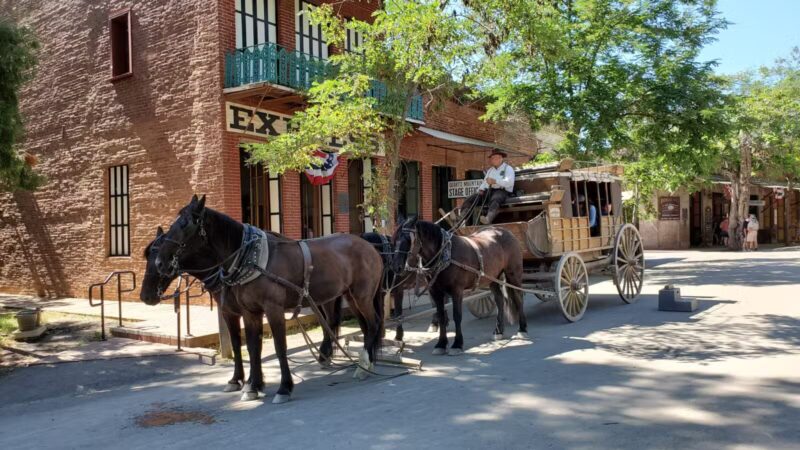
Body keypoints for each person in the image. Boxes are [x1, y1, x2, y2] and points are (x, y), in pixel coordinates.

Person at [457, 149, 515, 224]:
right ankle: (460, 217)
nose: (492, 160)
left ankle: (488, 218)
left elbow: (509, 182)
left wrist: (495, 181)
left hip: (502, 191)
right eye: (492, 158)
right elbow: (484, 183)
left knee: (495, 199)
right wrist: (481, 190)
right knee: (471, 198)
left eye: (494, 158)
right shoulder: (490, 170)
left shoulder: (508, 168)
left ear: (500, 158)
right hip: (489, 191)